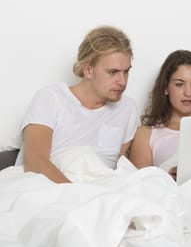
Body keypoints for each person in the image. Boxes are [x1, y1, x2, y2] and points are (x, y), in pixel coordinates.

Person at [16, 25, 138, 183]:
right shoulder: (51, 98)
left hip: (100, 188)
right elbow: (35, 162)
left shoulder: (127, 108)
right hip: (53, 186)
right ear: (88, 70)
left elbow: (120, 167)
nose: (122, 81)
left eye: (126, 71)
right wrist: (78, 196)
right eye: (113, 72)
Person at [129, 49, 191, 178]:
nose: (188, 93)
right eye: (179, 84)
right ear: (166, 87)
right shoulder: (146, 135)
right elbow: (139, 187)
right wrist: (170, 178)